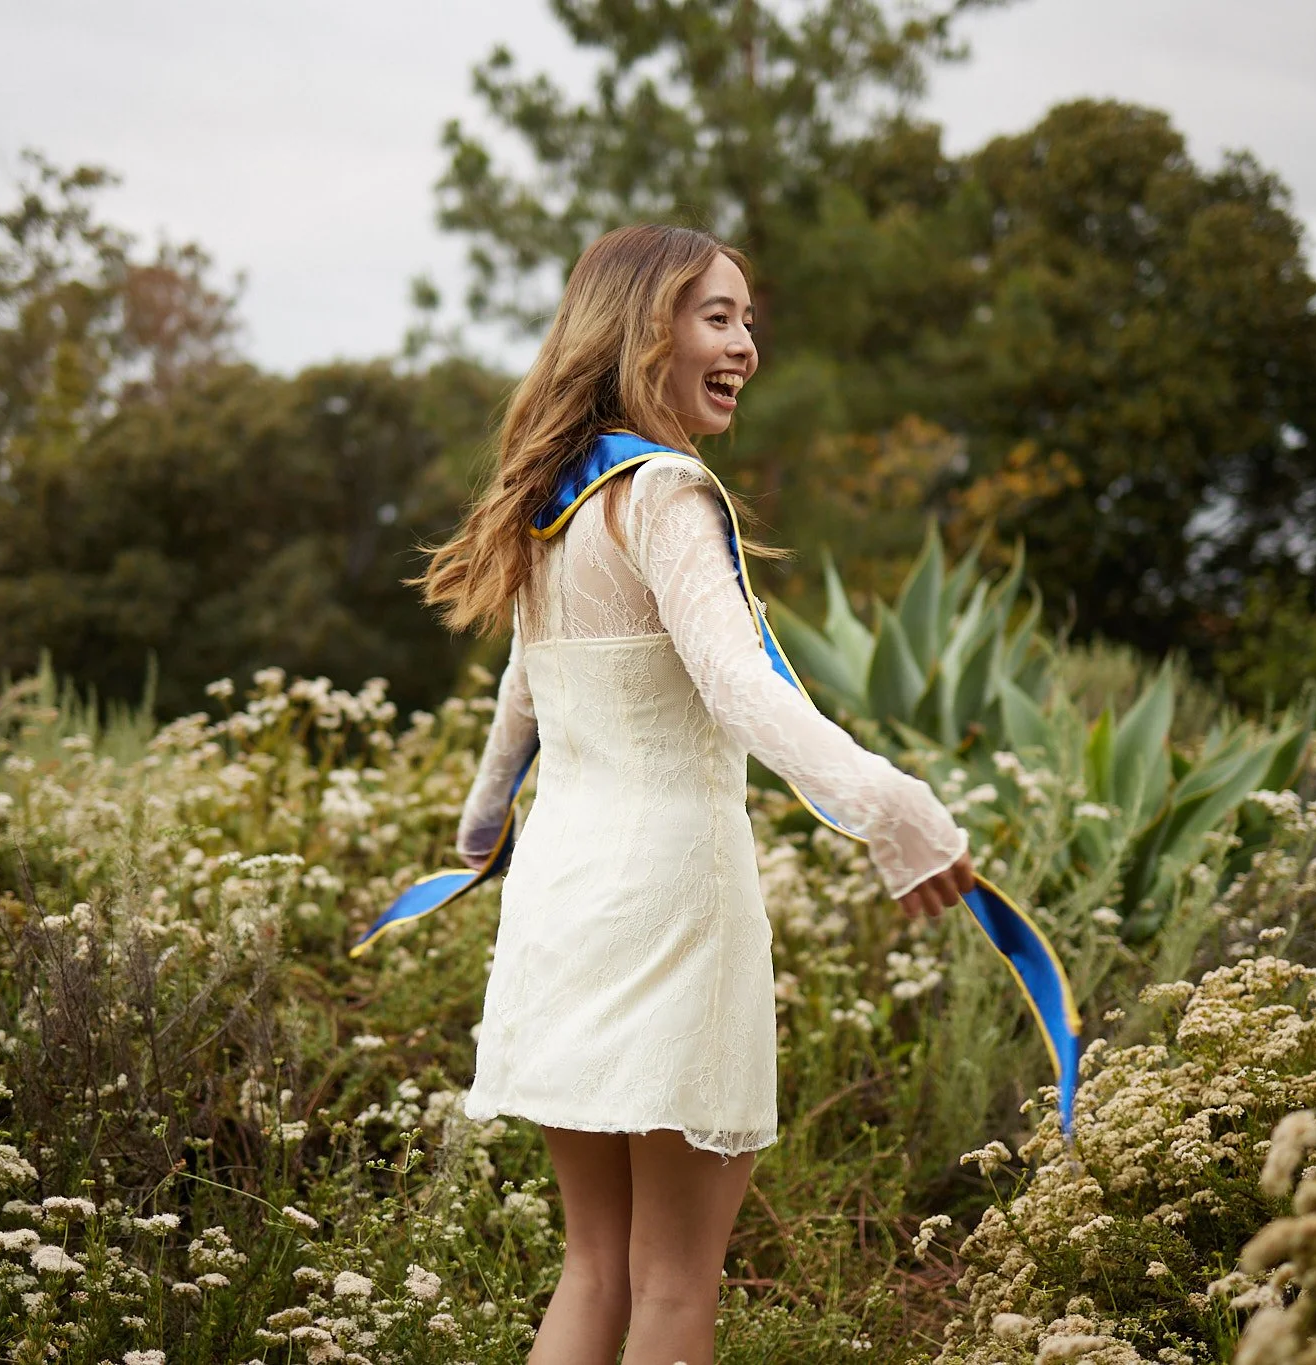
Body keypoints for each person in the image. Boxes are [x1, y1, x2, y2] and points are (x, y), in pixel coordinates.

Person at [409, 224, 977, 1365]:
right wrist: (894, 808)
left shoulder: (552, 502)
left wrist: (478, 837)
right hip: (672, 909)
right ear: (642, 329)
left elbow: (519, 702)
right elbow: (738, 685)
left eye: (748, 321)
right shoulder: (665, 492)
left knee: (593, 1270)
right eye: (717, 317)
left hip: (563, 906)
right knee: (673, 1284)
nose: (745, 345)